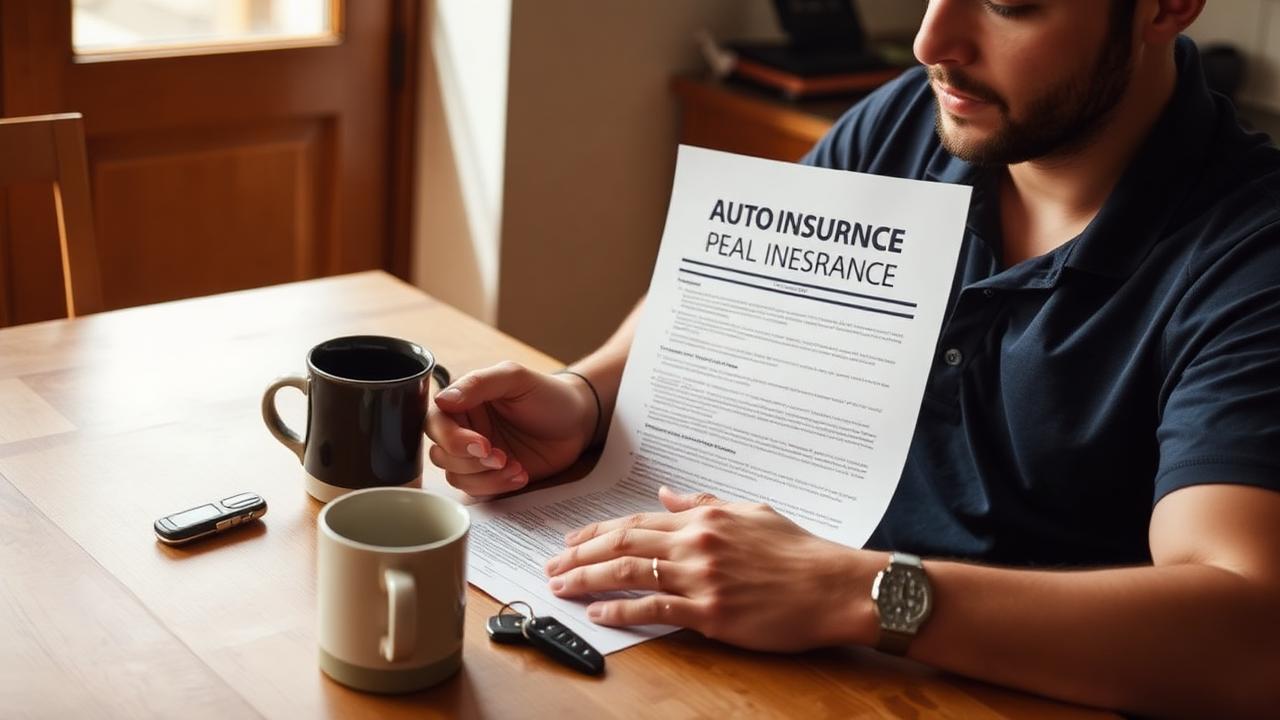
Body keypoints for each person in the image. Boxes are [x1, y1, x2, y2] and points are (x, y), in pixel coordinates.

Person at [425, 1, 1280, 715]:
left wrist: (858, 593)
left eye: (1008, 4)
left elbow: (1250, 632)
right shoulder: (912, 122)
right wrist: (590, 397)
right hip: (766, 673)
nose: (931, 41)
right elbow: (735, 296)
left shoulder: (1250, 257)